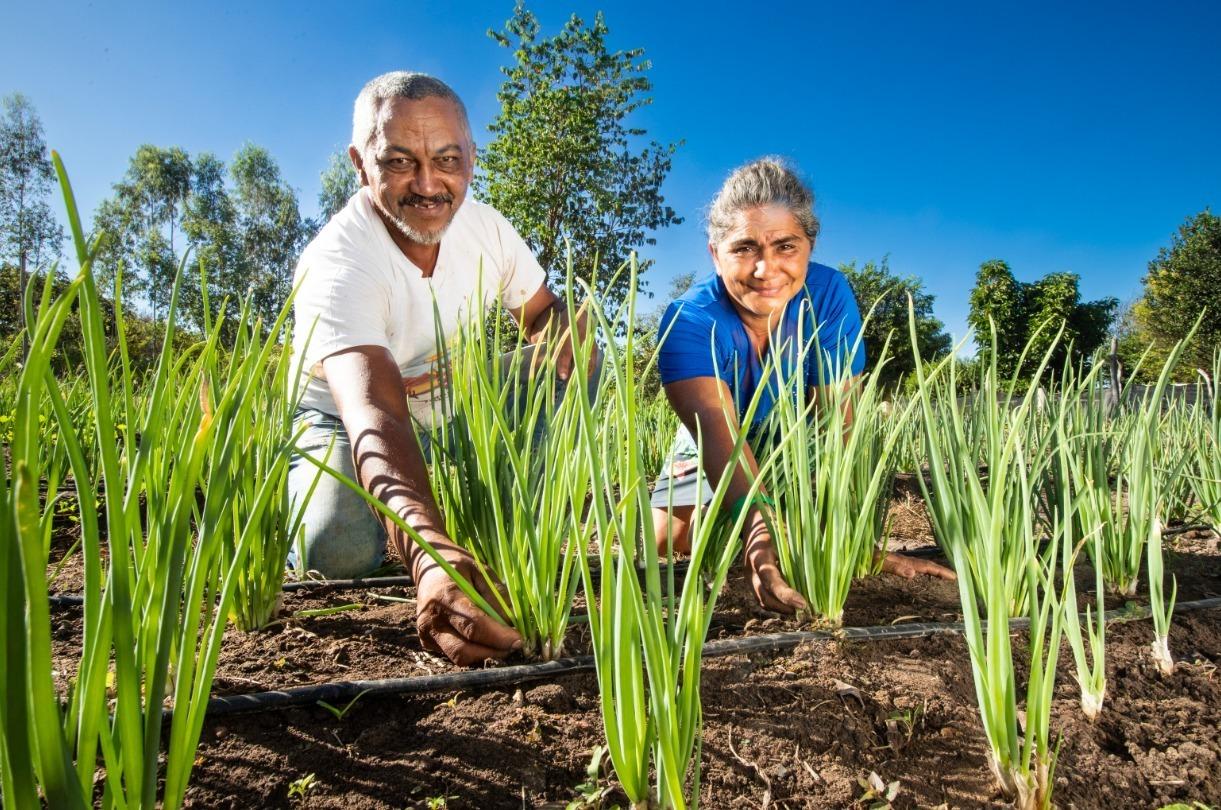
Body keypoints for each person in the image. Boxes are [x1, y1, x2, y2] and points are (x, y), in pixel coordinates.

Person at [287, 71, 586, 666]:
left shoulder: (487, 228)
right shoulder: (339, 262)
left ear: (472, 156)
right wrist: (431, 559)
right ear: (359, 162)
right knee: (335, 553)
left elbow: (552, 317)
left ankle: (506, 507)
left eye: (448, 158)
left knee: (580, 363)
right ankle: (304, 476)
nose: (429, 184)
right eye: (400, 161)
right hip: (344, 412)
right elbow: (374, 412)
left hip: (450, 394)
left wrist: (525, 363)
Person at [650, 158, 953, 614]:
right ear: (716, 253)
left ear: (809, 245)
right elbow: (717, 427)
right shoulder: (689, 319)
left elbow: (839, 425)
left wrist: (842, 540)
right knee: (669, 539)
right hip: (720, 431)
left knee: (782, 525)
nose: (765, 269)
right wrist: (759, 541)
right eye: (744, 248)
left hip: (797, 433)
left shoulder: (828, 296)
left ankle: (788, 528)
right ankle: (764, 526)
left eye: (785, 246)